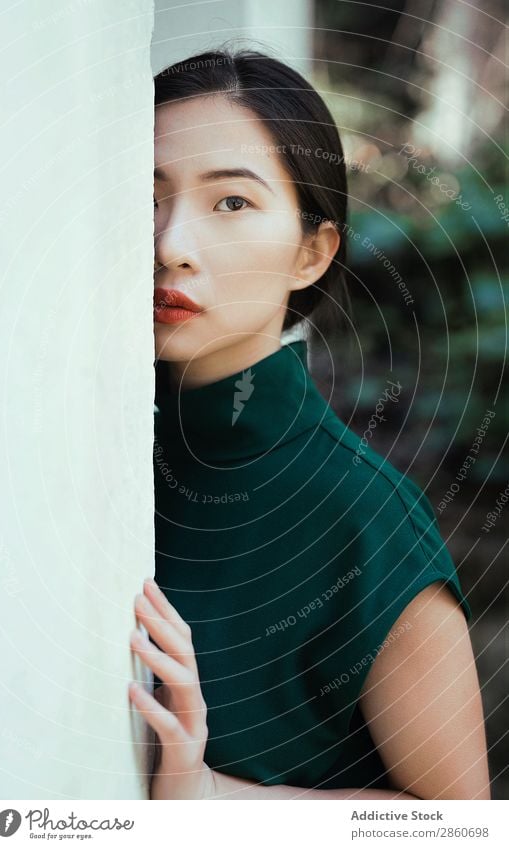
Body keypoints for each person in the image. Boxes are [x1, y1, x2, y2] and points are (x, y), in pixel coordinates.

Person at [128, 46, 491, 800]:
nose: (170, 246)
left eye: (231, 202)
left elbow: (458, 824)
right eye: (144, 196)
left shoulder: (363, 516)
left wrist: (210, 799)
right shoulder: (90, 452)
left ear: (310, 251)